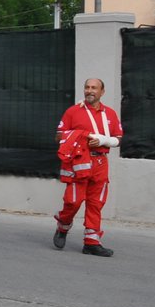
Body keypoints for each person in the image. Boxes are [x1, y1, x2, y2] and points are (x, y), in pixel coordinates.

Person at [54, 77, 123, 257]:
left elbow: (119, 139)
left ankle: (92, 242)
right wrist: (83, 137)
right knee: (73, 201)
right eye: (87, 87)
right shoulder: (73, 112)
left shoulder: (111, 114)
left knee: (96, 203)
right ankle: (63, 226)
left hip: (100, 162)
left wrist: (103, 140)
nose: (90, 91)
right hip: (79, 162)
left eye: (94, 88)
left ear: (102, 92)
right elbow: (58, 137)